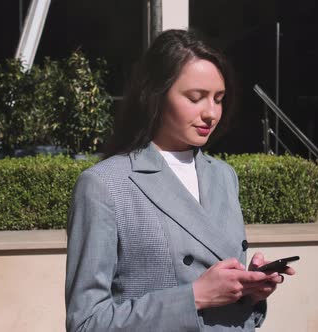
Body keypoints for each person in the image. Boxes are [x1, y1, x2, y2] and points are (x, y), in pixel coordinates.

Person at [65, 29, 295, 331]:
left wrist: (248, 293)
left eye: (219, 99)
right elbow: (85, 322)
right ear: (156, 96)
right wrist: (194, 297)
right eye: (196, 97)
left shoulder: (224, 176)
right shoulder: (105, 185)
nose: (211, 113)